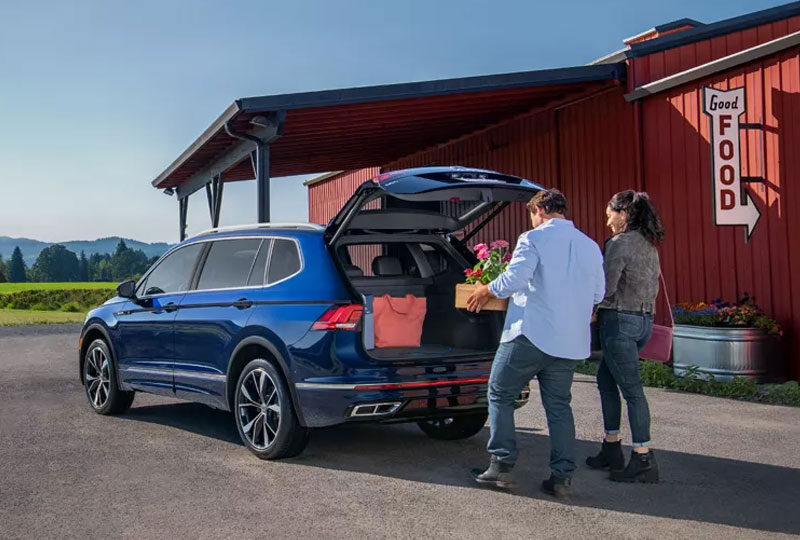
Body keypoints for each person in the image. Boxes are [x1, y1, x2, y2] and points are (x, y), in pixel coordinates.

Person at [466, 189, 605, 498]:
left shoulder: (533, 238)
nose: (532, 220)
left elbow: (514, 280)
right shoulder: (590, 246)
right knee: (559, 407)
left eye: (532, 214)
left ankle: (501, 467)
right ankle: (562, 477)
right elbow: (598, 295)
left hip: (531, 334)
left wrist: (485, 289)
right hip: (570, 341)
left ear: (540, 210)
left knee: (500, 392)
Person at [586, 190, 665, 483]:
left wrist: (587, 307)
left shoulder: (619, 244)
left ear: (623, 214)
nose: (607, 222)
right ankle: (611, 448)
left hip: (619, 321)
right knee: (606, 381)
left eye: (609, 216)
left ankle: (643, 458)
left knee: (632, 392)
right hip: (643, 322)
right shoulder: (649, 245)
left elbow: (605, 288)